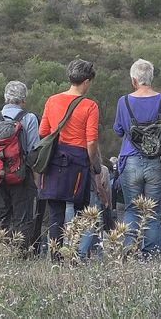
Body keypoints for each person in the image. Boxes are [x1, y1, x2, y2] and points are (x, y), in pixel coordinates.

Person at [40, 60, 106, 256]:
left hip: (54, 161)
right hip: (78, 162)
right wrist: (94, 164)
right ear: (86, 81)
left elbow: (43, 132)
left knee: (55, 214)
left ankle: (55, 256)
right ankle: (74, 254)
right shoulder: (90, 106)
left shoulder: (52, 101)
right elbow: (91, 142)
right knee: (79, 212)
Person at [113, 59, 161, 253]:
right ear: (151, 78)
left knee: (132, 210)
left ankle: (129, 253)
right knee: (152, 213)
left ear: (134, 80)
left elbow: (118, 130)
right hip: (156, 163)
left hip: (130, 161)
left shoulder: (124, 101)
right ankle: (150, 256)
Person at [0, 81, 39, 252]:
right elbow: (33, 152)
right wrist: (36, 179)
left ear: (5, 98)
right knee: (23, 220)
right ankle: (18, 254)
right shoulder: (29, 119)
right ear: (23, 100)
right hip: (21, 176)